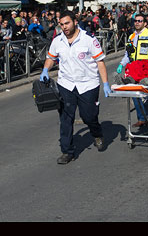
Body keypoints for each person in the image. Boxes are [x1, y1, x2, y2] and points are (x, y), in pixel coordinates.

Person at [40, 11, 109, 164]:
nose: (64, 27)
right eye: (62, 24)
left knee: (88, 116)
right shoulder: (58, 41)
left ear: (75, 22)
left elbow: (100, 62)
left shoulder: (88, 40)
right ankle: (67, 151)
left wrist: (105, 83)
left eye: (67, 23)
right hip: (66, 84)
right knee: (65, 118)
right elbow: (50, 57)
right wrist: (46, 69)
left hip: (88, 84)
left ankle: (97, 134)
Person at [117, 13, 148, 127]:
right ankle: (142, 118)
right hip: (134, 68)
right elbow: (128, 54)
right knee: (134, 92)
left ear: (145, 23)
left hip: (146, 67)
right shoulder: (131, 37)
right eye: (136, 21)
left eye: (140, 21)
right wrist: (121, 64)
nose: (137, 23)